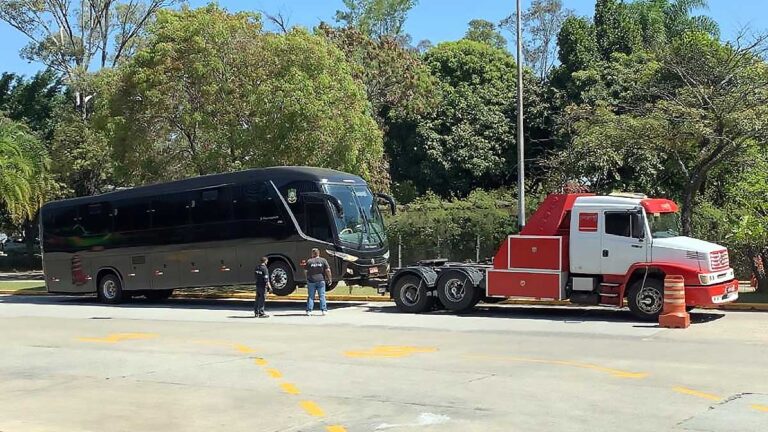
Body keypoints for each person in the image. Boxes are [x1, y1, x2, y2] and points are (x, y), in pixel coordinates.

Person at [304, 248, 332, 316]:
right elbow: (328, 270)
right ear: (318, 253)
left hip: (311, 281)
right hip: (321, 280)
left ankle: (309, 311)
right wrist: (330, 278)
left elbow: (305, 271)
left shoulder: (309, 261)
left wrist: (307, 278)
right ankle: (324, 310)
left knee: (311, 296)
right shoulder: (323, 260)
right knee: (322, 296)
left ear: (313, 254)